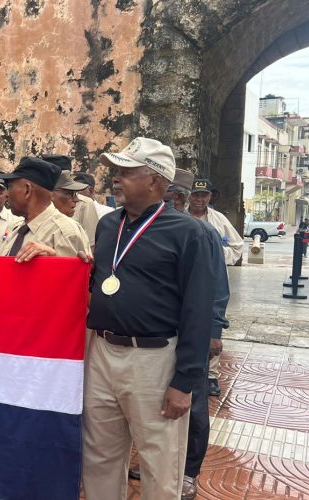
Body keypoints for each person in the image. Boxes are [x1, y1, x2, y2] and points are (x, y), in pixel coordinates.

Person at [82, 138, 214, 500]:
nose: (116, 178)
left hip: (154, 359)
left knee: (160, 460)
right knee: (99, 455)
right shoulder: (108, 225)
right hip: (103, 351)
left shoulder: (190, 233)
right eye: (116, 171)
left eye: (127, 172)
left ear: (155, 180)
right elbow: (96, 280)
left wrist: (184, 382)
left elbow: (199, 311)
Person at [126, 167, 231, 499]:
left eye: (170, 199)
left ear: (180, 200)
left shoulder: (200, 233)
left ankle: (188, 471)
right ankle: (153, 461)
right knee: (155, 407)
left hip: (192, 334)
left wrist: (214, 329)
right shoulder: (148, 229)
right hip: (157, 339)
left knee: (193, 403)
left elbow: (215, 288)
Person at [187, 179, 242, 398]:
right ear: (189, 196)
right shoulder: (180, 217)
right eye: (196, 195)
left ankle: (211, 375)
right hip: (186, 278)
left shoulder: (219, 221)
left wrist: (217, 255)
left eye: (204, 195)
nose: (200, 199)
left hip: (212, 278)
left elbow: (237, 247)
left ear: (211, 197)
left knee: (212, 324)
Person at [0, 157, 90, 258]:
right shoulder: (16, 229)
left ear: (27, 190)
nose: (6, 194)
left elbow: (74, 273)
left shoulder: (64, 232)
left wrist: (53, 259)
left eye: (10, 187)